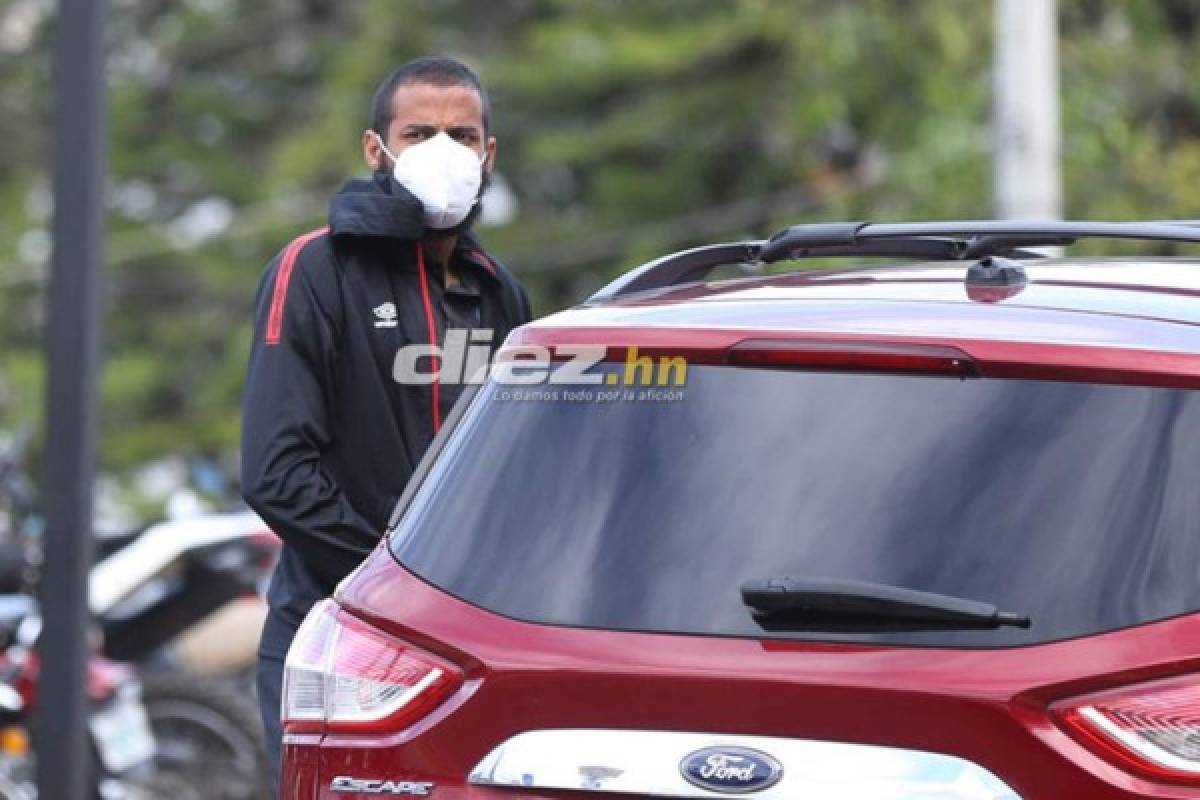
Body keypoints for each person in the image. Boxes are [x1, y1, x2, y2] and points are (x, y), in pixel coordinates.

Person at [240, 55, 532, 789]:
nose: (444, 151)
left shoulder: (499, 293)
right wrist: (401, 586)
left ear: (489, 154)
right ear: (377, 151)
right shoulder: (315, 269)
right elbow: (276, 474)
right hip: (339, 638)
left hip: (476, 647)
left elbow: (524, 470)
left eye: (462, 135)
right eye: (420, 132)